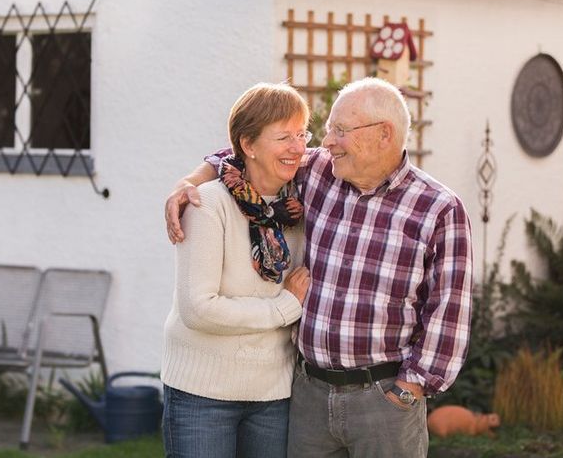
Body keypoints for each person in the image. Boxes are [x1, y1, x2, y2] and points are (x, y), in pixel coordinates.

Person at [165, 77, 473, 458]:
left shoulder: (438, 208)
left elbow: (448, 311)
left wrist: (411, 388)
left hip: (383, 400)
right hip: (309, 395)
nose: (325, 142)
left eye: (340, 131)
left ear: (384, 134)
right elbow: (246, 152)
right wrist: (191, 180)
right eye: (327, 130)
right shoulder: (319, 173)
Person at [161, 82, 312, 458]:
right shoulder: (207, 204)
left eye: (301, 134)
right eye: (283, 137)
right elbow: (199, 309)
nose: (298, 148)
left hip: (273, 394)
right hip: (202, 395)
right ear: (248, 145)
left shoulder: (298, 207)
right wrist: (285, 306)